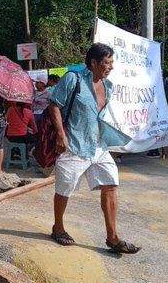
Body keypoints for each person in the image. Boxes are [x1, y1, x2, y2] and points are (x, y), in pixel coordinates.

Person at [48, 43, 139, 254]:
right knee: (64, 190)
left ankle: (113, 237)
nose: (110, 67)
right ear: (93, 63)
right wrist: (61, 135)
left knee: (111, 184)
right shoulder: (73, 79)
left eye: (111, 62)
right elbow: (54, 105)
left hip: (98, 146)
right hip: (74, 146)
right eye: (106, 63)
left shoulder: (109, 86)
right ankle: (58, 228)